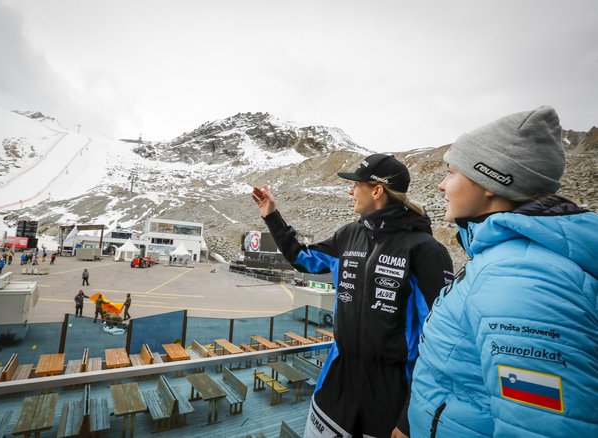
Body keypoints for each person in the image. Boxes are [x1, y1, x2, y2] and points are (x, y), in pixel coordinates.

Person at [409, 106, 598, 437]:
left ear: (491, 181)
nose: (440, 185)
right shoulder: (510, 257)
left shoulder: (520, 279)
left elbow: (541, 427)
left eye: (452, 173)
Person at [252, 154, 454, 438]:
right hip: (338, 380)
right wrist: (271, 215)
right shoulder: (348, 234)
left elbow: (440, 339)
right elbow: (303, 258)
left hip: (391, 394)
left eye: (355, 184)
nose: (350, 191)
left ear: (376, 190)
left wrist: (410, 416)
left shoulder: (427, 250)